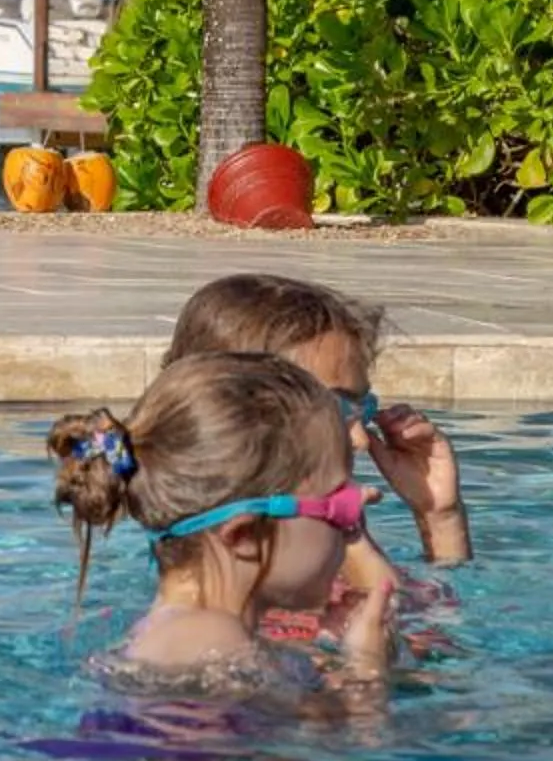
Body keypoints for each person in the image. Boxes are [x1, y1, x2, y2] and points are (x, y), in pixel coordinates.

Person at [47, 351, 391, 696]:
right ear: (244, 535)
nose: (351, 529)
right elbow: (294, 749)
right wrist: (366, 671)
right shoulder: (210, 640)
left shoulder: (190, 632)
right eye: (341, 508)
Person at [166, 273, 472, 566]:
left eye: (360, 408)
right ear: (232, 415)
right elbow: (396, 616)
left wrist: (439, 518)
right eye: (335, 409)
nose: (360, 440)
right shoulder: (263, 565)